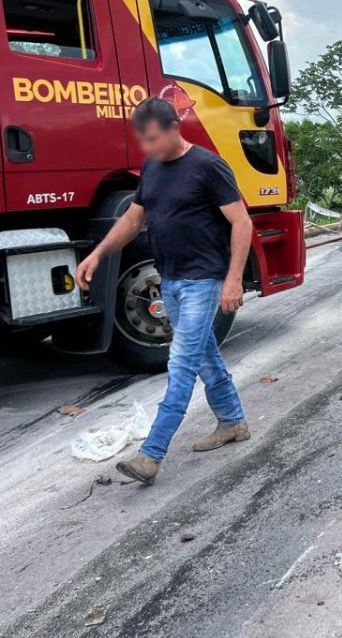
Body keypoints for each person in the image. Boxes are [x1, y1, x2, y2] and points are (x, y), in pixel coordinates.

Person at [76, 98, 252, 485]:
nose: (147, 147)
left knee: (181, 364)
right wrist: (98, 254)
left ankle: (151, 455)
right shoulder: (153, 167)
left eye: (154, 138)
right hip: (169, 280)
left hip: (203, 281)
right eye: (143, 140)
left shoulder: (208, 166)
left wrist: (234, 279)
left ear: (175, 126)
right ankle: (233, 422)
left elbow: (241, 222)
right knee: (204, 356)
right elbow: (134, 217)